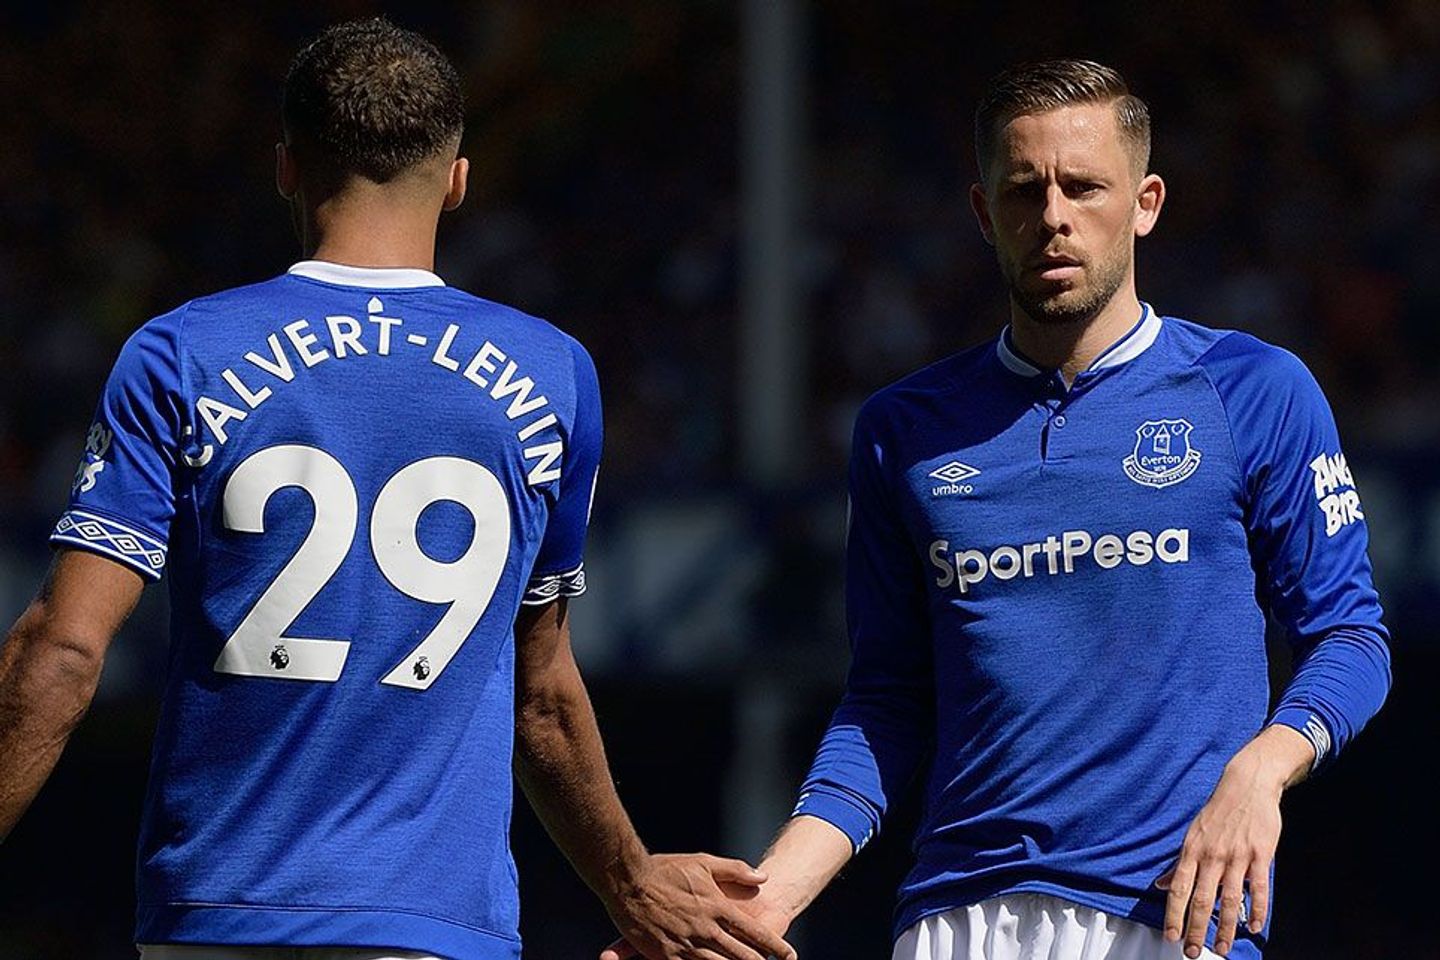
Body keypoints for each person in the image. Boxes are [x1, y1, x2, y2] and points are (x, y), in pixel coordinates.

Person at [0, 18, 796, 960]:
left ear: (287, 167)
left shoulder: (181, 353)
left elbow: (62, 653)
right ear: (458, 179)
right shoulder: (553, 377)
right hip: (434, 930)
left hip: (221, 913)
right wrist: (630, 883)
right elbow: (540, 694)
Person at [607, 58, 1391, 960]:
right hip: (953, 919)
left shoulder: (1254, 390)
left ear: (1146, 203)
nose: (1054, 216)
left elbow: (1350, 638)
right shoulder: (902, 430)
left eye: (1085, 187)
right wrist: (765, 900)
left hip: (1171, 912)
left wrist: (1260, 773)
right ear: (985, 214)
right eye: (1025, 190)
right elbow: (889, 702)